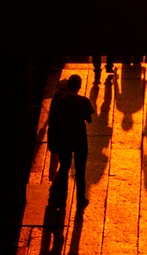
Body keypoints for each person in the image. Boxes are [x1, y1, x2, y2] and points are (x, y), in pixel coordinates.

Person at [48, 74, 93, 208]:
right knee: (80, 170)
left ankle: (62, 199)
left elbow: (54, 120)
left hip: (63, 139)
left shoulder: (58, 101)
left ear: (68, 86)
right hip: (80, 139)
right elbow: (89, 119)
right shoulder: (83, 101)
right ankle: (80, 199)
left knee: (64, 168)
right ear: (79, 86)